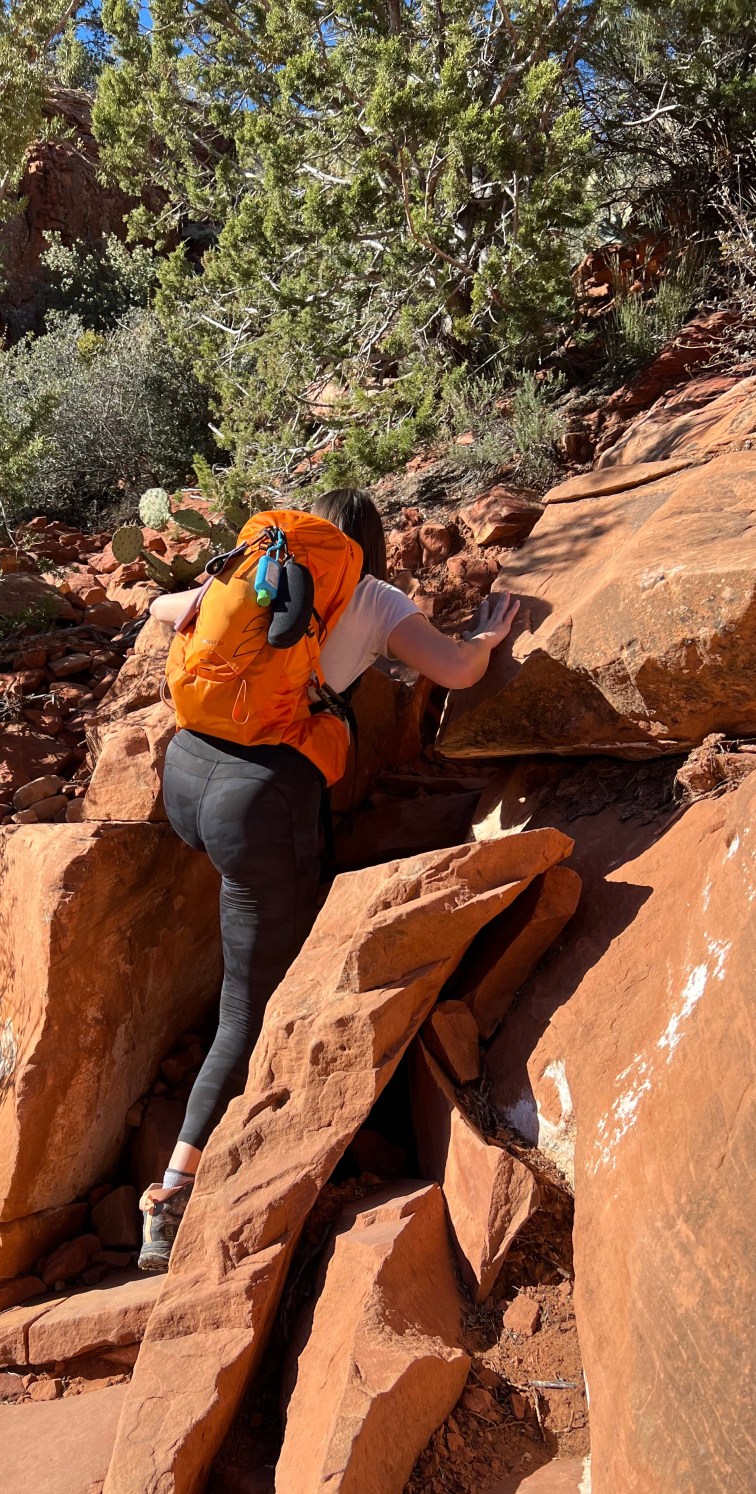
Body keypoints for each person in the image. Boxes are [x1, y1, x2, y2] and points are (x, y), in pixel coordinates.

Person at [136, 487, 519, 1271]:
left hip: (187, 777)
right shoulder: (375, 597)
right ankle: (172, 1194)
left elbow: (159, 609)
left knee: (263, 918)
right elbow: (453, 670)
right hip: (260, 803)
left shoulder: (256, 569)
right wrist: (483, 636)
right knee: (246, 1011)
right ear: (367, 548)